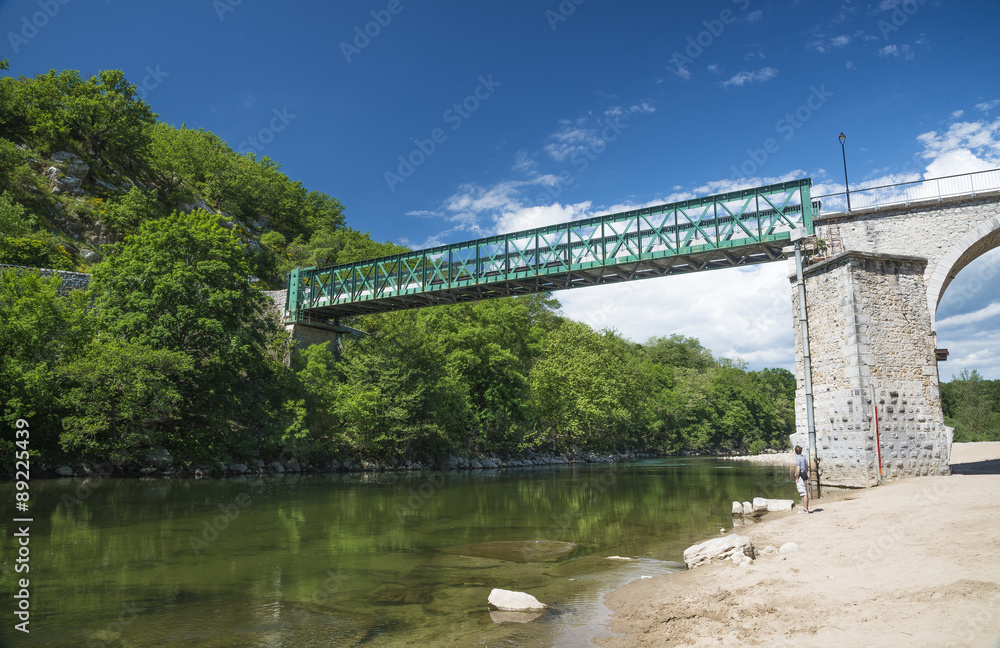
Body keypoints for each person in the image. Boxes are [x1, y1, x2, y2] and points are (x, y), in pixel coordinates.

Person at [791, 445, 810, 514]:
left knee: (803, 493)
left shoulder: (797, 458)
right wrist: (805, 474)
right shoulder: (804, 458)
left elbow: (798, 468)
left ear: (795, 452)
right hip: (804, 476)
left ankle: (805, 509)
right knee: (806, 493)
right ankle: (806, 508)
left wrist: (797, 478)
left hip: (801, 477)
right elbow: (807, 467)